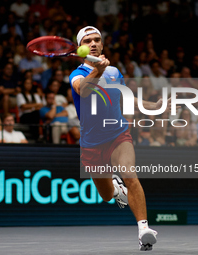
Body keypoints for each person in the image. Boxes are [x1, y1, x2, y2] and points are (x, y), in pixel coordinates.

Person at [69, 26, 168, 251]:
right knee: (106, 196)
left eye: (97, 40)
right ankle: (115, 188)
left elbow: (125, 97)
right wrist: (97, 70)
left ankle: (144, 230)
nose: (93, 43)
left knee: (130, 175)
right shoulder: (77, 74)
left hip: (117, 135)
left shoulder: (114, 71)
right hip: (92, 144)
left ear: (102, 45)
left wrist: (154, 106)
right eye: (87, 41)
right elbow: (83, 90)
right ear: (80, 49)